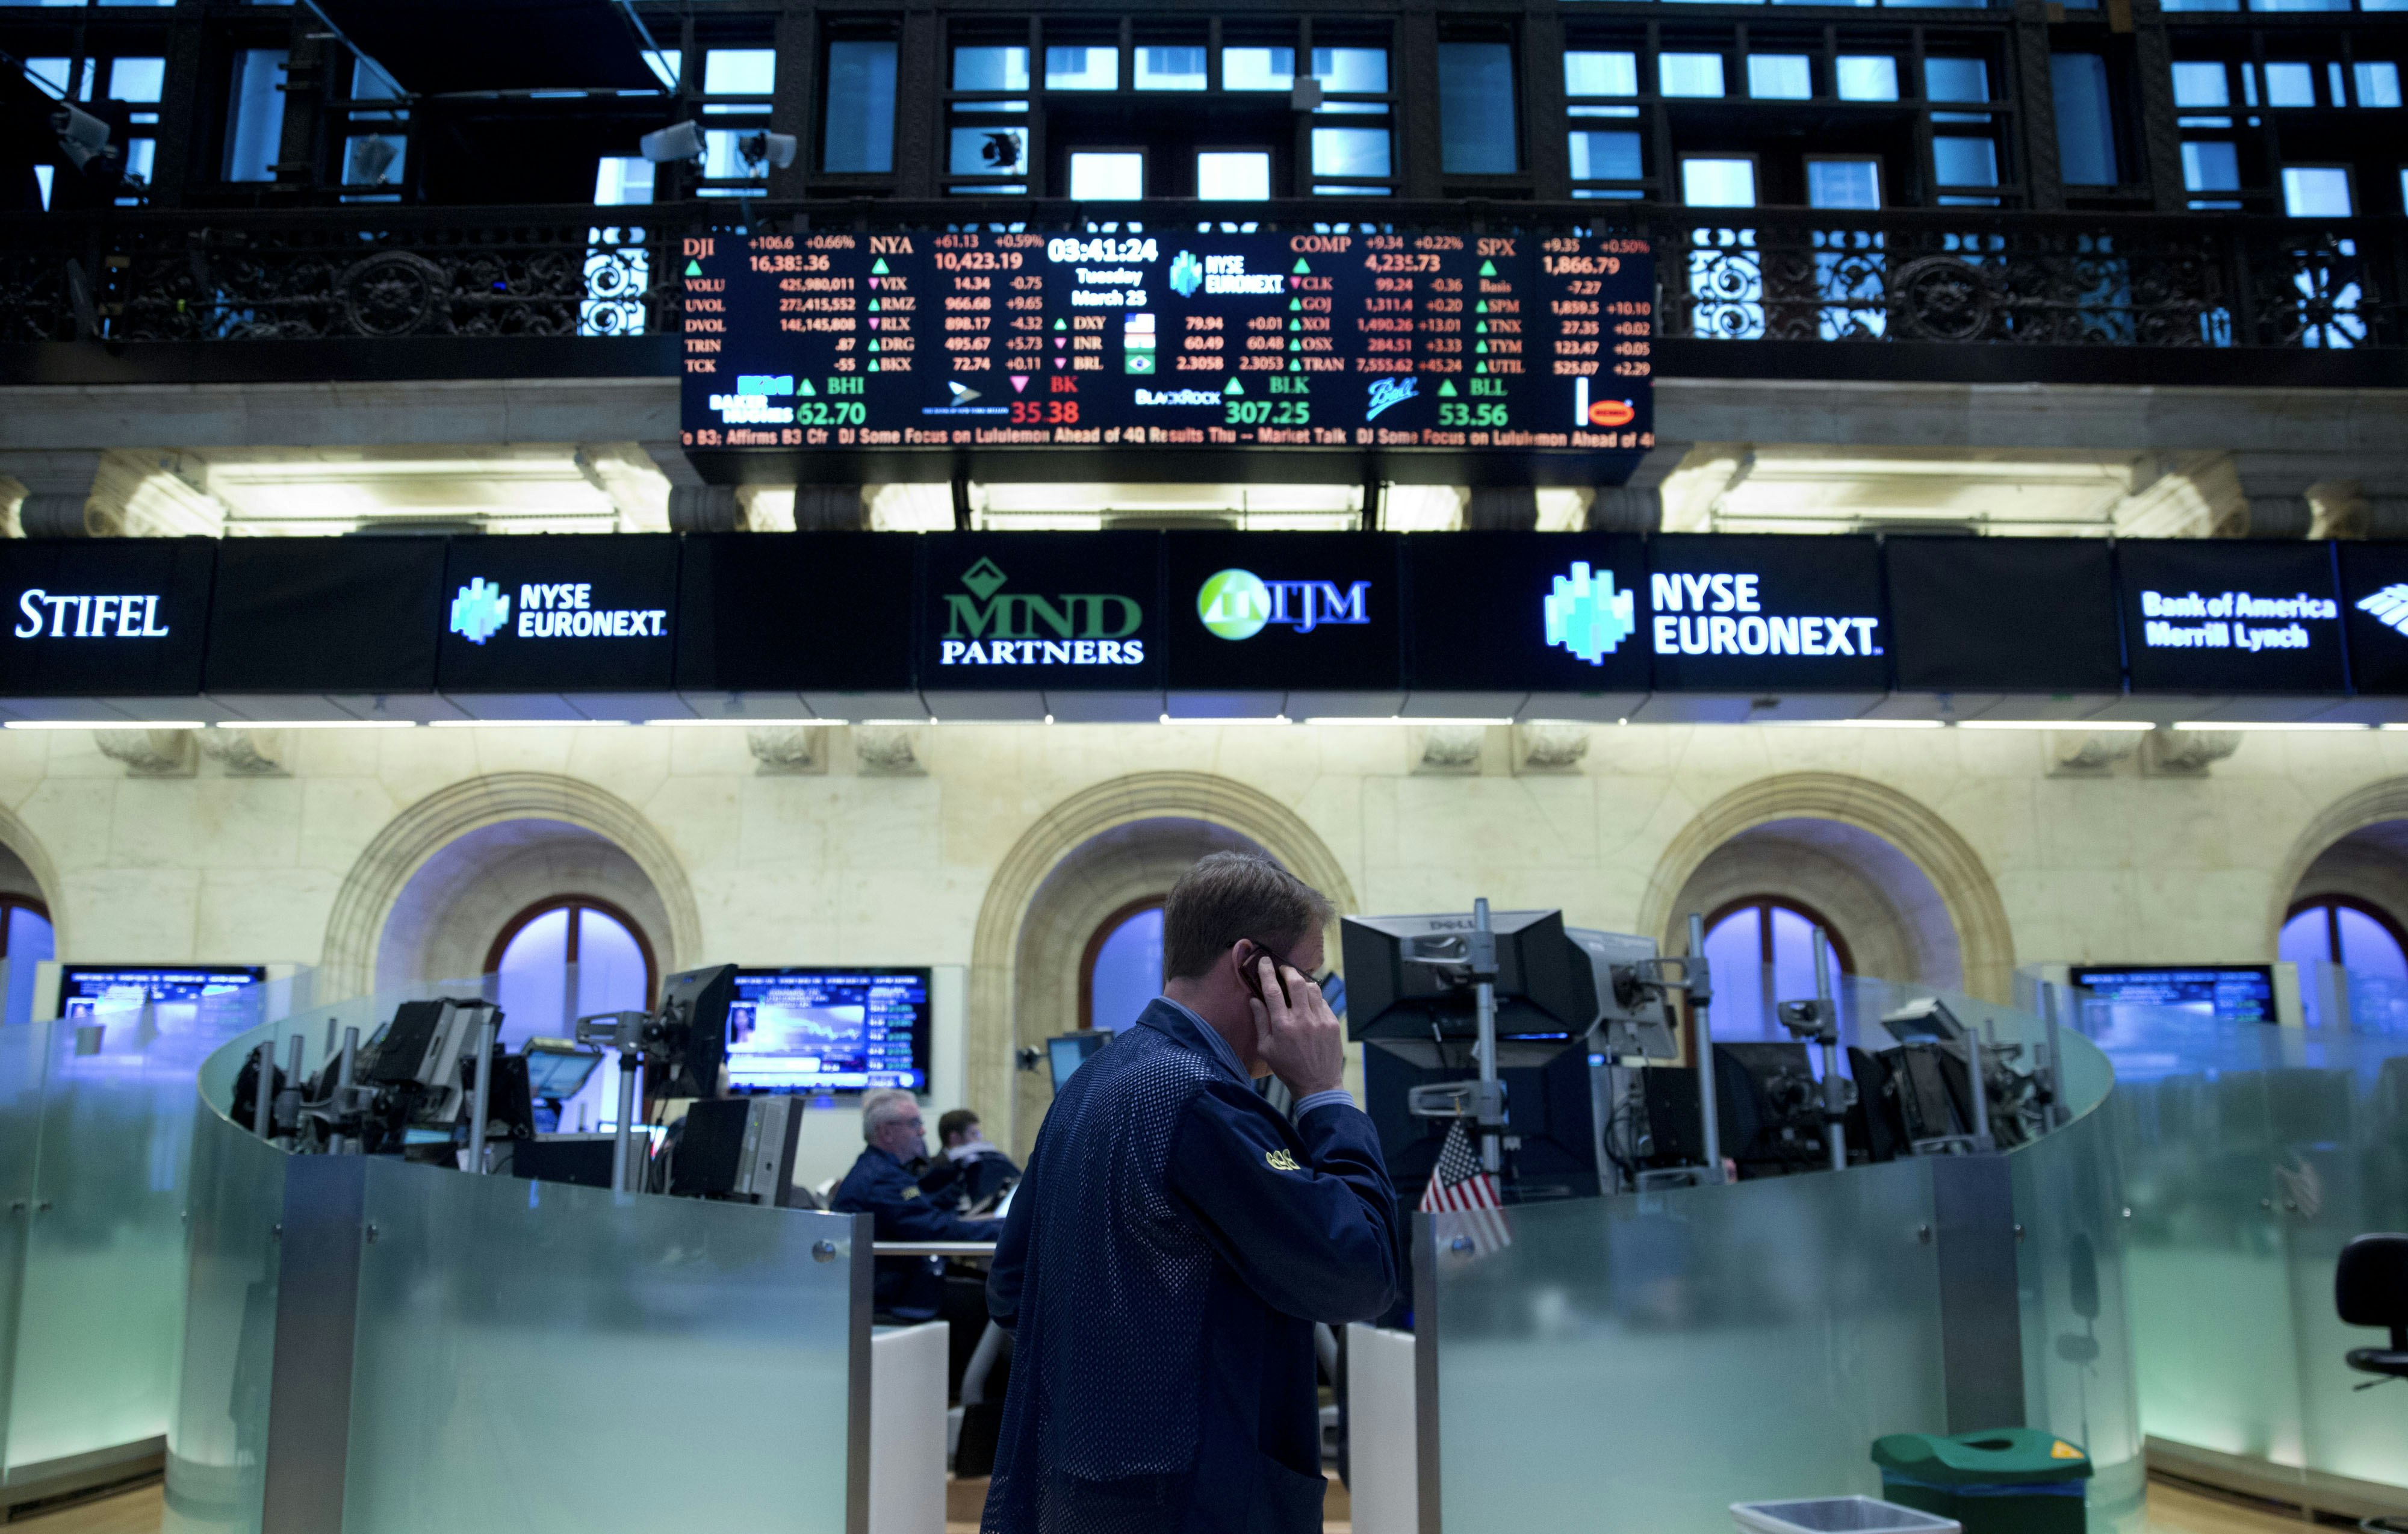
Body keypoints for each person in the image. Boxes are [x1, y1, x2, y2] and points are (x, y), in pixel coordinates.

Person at [982, 851, 1401, 1534]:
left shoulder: (1092, 1082)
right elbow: (1359, 1272)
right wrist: (1326, 1097)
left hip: (1087, 1481)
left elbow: (1010, 1287)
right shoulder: (1201, 1099)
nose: (1320, 1007)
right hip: (1196, 1496)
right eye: (1309, 977)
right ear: (1249, 966)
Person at [831, 1089, 1000, 1321]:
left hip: (904, 1281)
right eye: (914, 1123)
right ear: (887, 1132)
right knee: (1002, 1301)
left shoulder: (882, 1170)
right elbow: (933, 1230)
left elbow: (926, 1221)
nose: (923, 1131)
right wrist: (1006, 1229)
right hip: (897, 1295)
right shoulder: (881, 1178)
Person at [930, 1108, 1020, 1210]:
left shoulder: (980, 1163)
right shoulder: (935, 1172)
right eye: (974, 1134)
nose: (979, 1139)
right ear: (955, 1138)